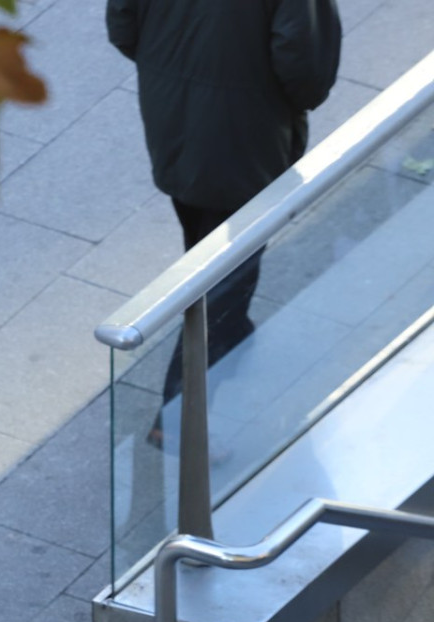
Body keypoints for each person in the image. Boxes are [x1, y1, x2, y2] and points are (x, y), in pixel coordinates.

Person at [106, 0, 342, 448]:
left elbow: (123, 26)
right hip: (245, 140)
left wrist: (176, 74)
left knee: (203, 246)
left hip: (173, 123)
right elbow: (306, 70)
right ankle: (176, 419)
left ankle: (233, 336)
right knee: (227, 274)